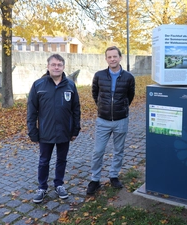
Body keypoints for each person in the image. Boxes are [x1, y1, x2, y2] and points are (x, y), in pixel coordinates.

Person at [27, 54, 81, 203]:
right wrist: (33, 131)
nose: (56, 67)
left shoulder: (70, 85)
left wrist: (75, 129)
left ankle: (59, 184)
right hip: (46, 131)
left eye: (59, 65)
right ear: (48, 66)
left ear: (63, 67)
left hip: (65, 131)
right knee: (44, 161)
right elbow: (31, 111)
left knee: (62, 160)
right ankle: (42, 187)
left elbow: (76, 109)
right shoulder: (38, 85)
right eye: (53, 64)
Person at [86, 46, 135, 195]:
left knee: (118, 150)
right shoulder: (99, 75)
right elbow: (95, 93)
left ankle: (114, 176)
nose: (112, 59)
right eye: (109, 57)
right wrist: (103, 107)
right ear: (106, 59)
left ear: (120, 57)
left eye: (115, 56)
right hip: (103, 120)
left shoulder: (128, 77)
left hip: (121, 120)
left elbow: (130, 96)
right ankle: (95, 179)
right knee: (98, 151)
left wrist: (121, 109)